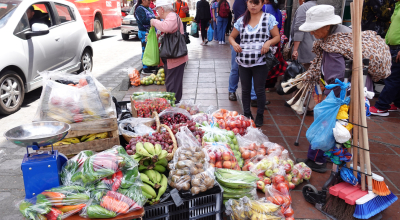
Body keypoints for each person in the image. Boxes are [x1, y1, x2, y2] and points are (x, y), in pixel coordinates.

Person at [294, 5, 376, 172]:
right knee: (345, 128)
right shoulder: (345, 31)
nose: (312, 33)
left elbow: (337, 79)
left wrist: (328, 99)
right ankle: (336, 159)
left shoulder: (333, 46)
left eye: (314, 29)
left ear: (326, 26)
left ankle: (318, 160)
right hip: (360, 87)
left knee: (327, 123)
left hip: (344, 92)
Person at [228, 0, 280, 127]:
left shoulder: (268, 19)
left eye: (256, 3)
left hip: (260, 62)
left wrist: (268, 43)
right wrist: (235, 44)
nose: (253, 5)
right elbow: (231, 37)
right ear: (247, 3)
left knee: (259, 90)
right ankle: (247, 114)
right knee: (245, 90)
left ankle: (260, 115)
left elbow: (277, 36)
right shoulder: (242, 20)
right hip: (243, 61)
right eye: (251, 2)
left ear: (262, 4)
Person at [150, 0, 188, 103]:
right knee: (174, 85)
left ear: (162, 9)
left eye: (157, 10)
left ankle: (173, 109)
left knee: (172, 86)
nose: (157, 12)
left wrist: (154, 21)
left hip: (176, 58)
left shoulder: (171, 16)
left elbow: (166, 27)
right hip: (174, 57)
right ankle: (175, 108)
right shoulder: (171, 17)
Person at [370, 0, 400, 116]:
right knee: (396, 78)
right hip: (393, 47)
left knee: (392, 78)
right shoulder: (397, 5)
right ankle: (397, 103)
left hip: (398, 48)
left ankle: (381, 106)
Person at [229, 0, 258, 104]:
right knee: (235, 68)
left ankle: (254, 96)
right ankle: (232, 90)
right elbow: (245, 21)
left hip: (253, 44)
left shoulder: (256, 3)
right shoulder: (239, 3)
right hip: (238, 43)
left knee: (254, 68)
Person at [290, 0, 317, 69]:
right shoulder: (316, 7)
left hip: (304, 49)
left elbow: (299, 29)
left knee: (301, 75)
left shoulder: (304, 7)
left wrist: (295, 50)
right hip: (314, 49)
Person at [134, 0, 157, 74]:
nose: (150, 1)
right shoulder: (139, 9)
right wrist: (155, 19)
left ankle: (151, 65)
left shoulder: (149, 8)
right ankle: (145, 67)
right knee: (145, 50)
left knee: (150, 49)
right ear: (143, 0)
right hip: (144, 33)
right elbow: (144, 21)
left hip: (151, 32)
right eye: (148, 0)